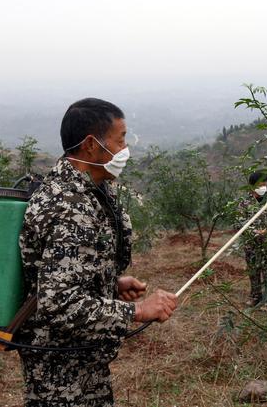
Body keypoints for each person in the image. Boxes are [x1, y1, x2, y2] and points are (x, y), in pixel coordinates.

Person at [16, 98, 178, 407]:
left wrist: (109, 282)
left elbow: (61, 270)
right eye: (120, 139)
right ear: (91, 144)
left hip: (82, 357)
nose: (125, 149)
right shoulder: (69, 207)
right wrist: (138, 311)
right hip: (59, 371)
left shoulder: (90, 192)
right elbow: (60, 304)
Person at [234, 171, 267, 307]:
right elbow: (239, 223)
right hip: (251, 245)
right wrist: (255, 231)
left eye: (265, 184)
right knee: (254, 272)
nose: (263, 187)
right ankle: (255, 297)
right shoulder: (244, 203)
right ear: (252, 186)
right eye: (260, 184)